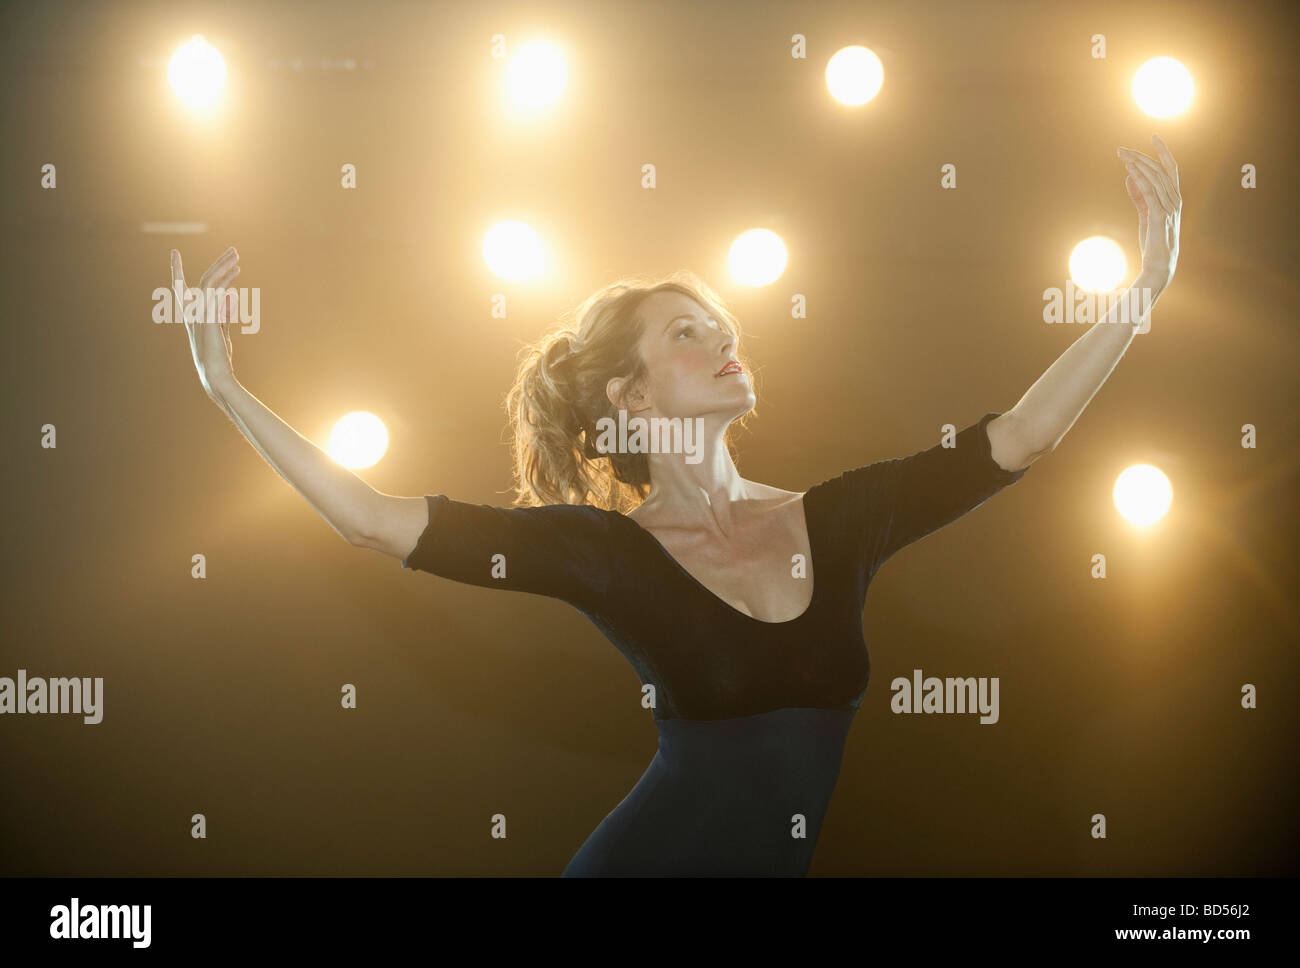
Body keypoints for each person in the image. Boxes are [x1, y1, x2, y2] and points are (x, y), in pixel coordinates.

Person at [172, 135, 1180, 875]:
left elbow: (1020, 437)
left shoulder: (838, 520)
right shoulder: (599, 552)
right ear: (632, 394)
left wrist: (1146, 281)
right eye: (689, 332)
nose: (724, 338)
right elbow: (368, 519)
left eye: (722, 323)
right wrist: (226, 387)